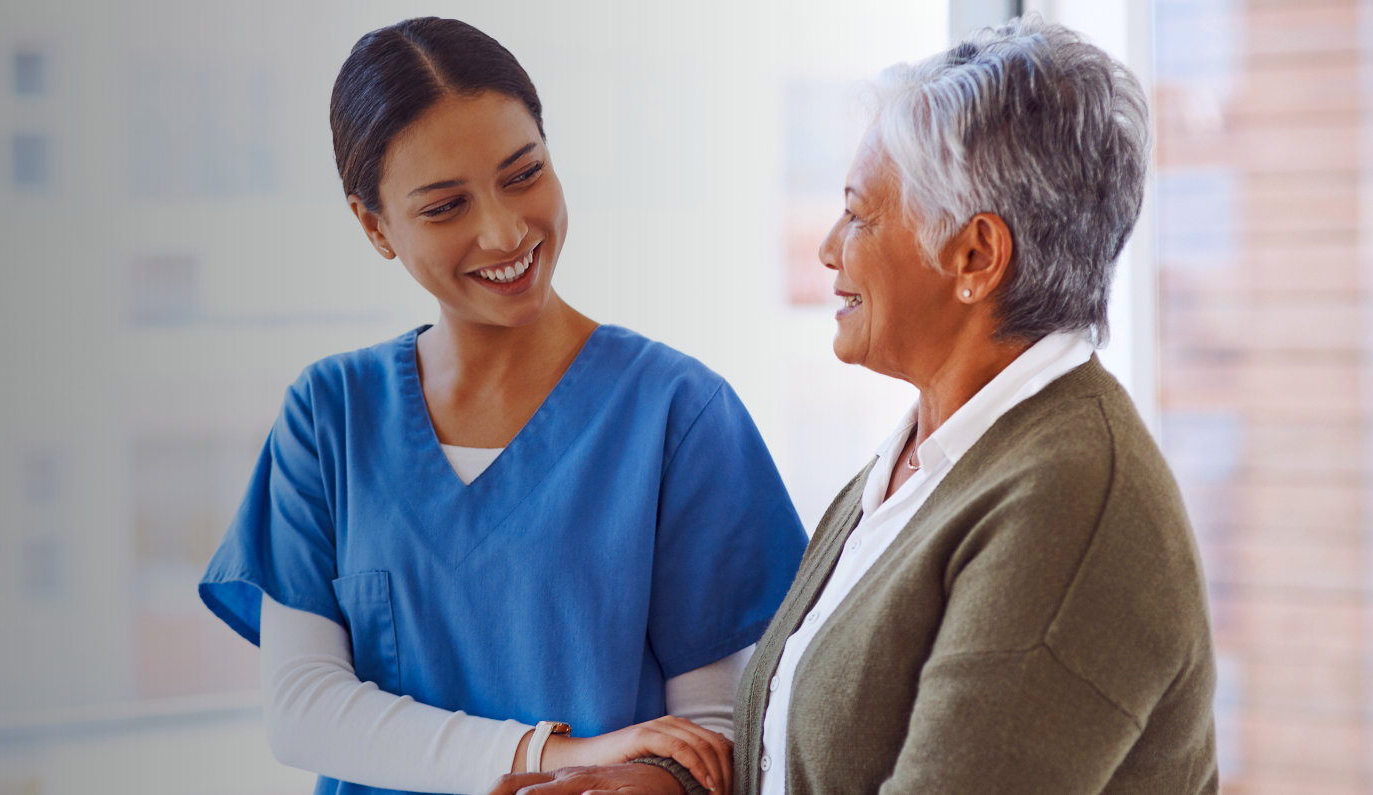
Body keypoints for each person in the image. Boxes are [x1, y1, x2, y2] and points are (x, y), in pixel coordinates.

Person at [490, 15, 1218, 795]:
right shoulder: (925, 457)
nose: (829, 246)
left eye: (860, 214)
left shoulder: (1069, 500)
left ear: (973, 255)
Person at [197, 17, 808, 795]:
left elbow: (713, 731)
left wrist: (639, 781)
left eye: (523, 174)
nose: (504, 229)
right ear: (374, 225)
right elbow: (305, 710)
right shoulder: (329, 418)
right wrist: (555, 753)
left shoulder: (677, 415)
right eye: (445, 206)